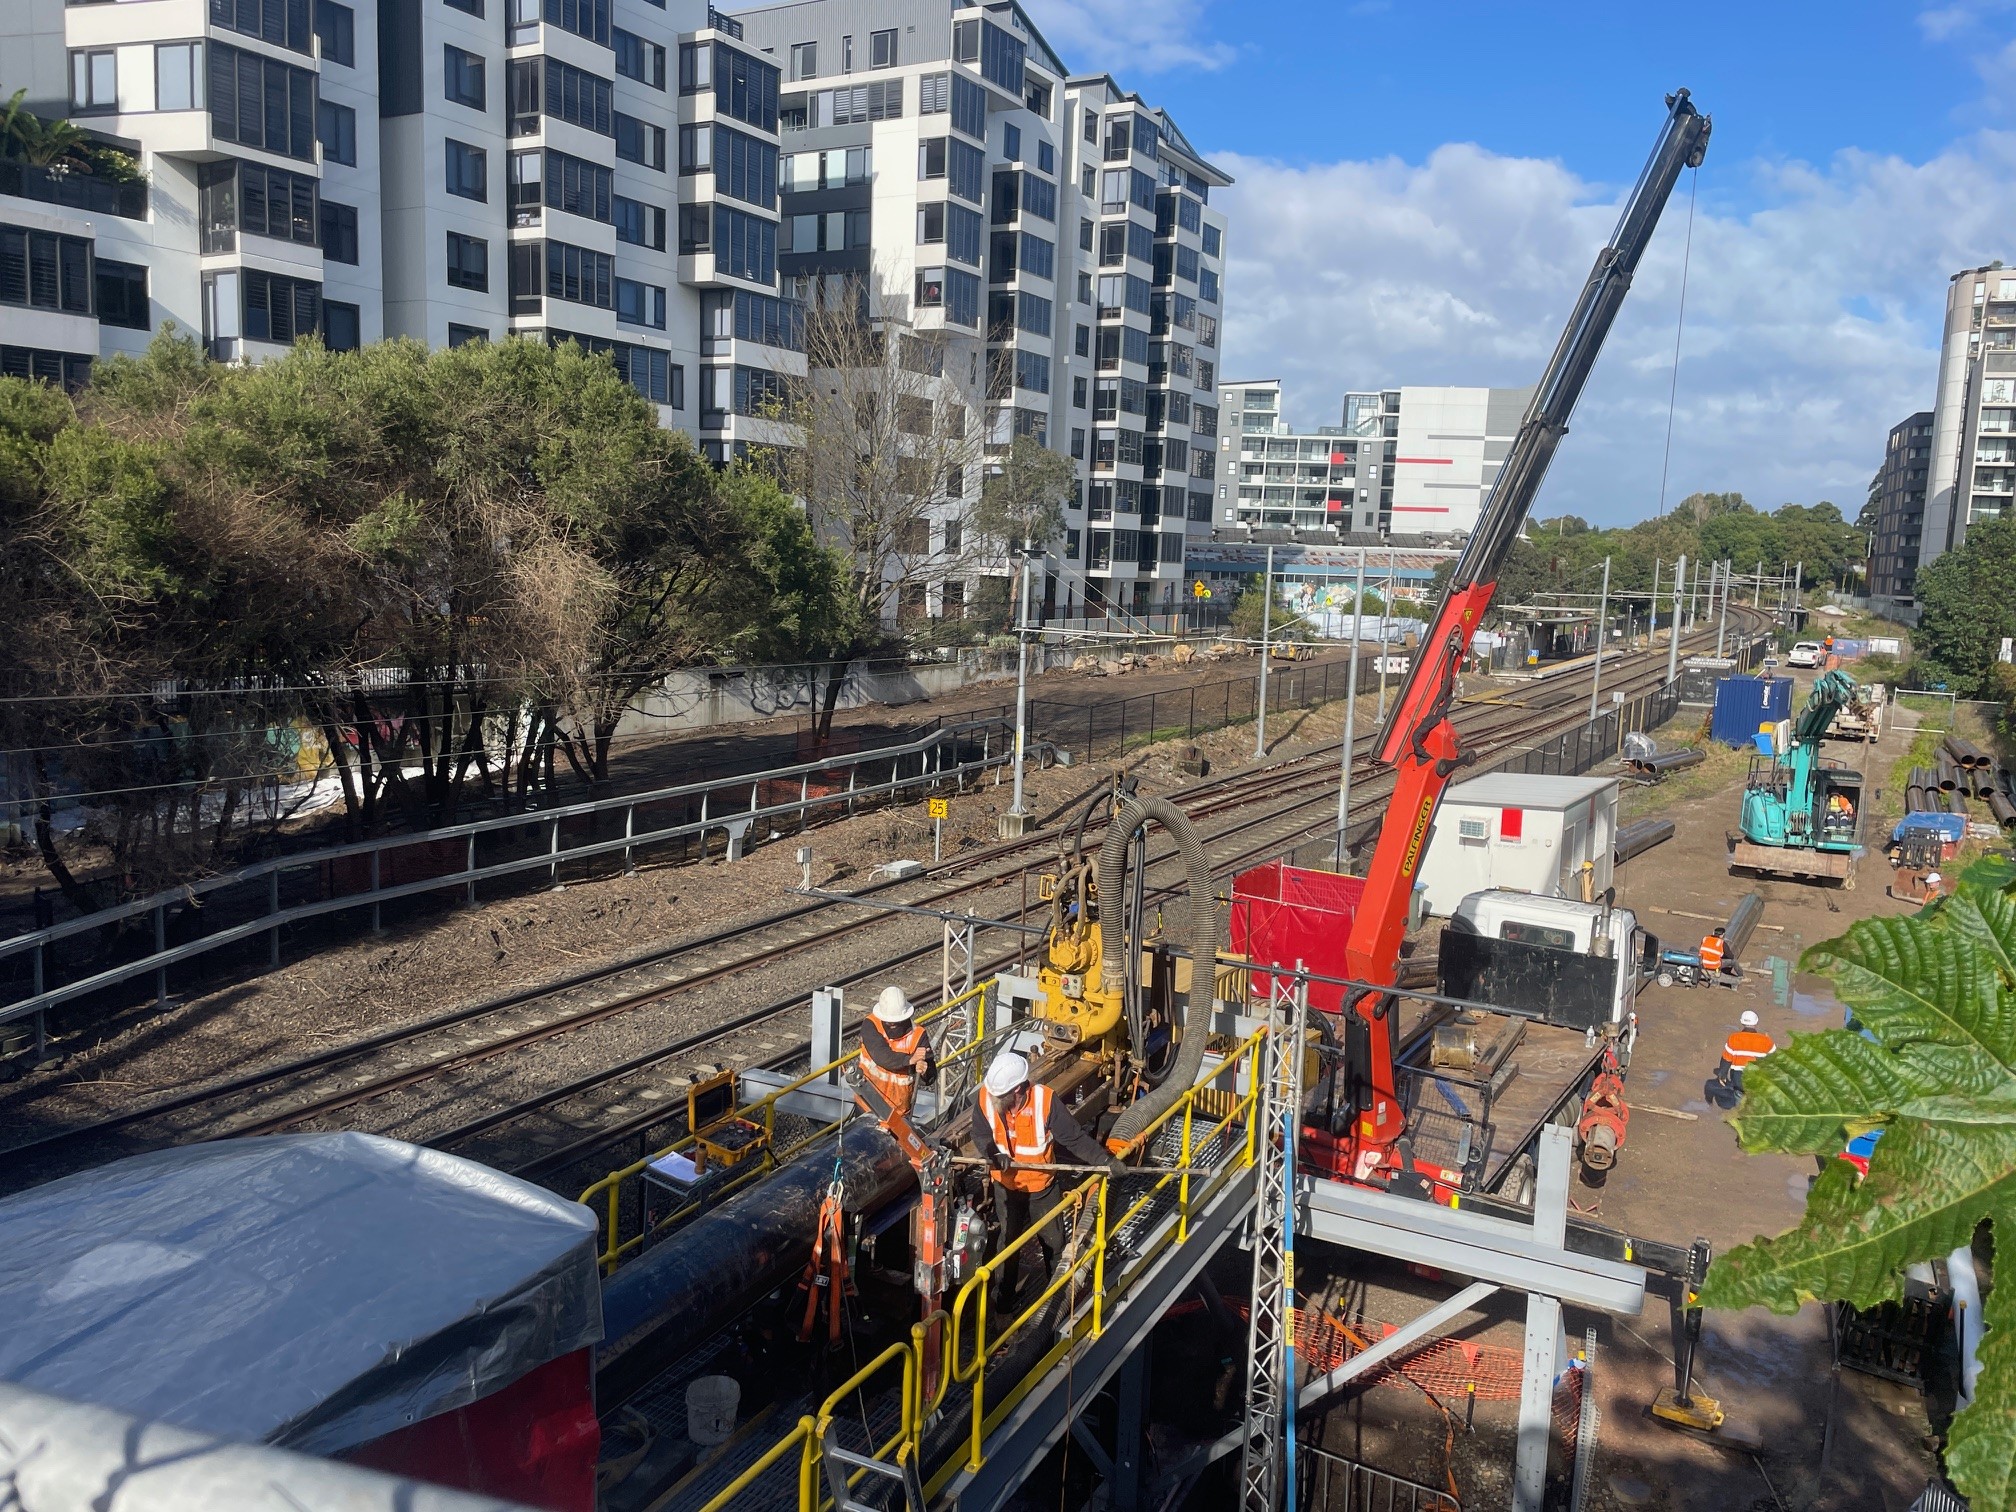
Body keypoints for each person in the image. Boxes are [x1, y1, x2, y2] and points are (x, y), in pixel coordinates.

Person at [973, 1051, 1126, 1306]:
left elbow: (1073, 1138)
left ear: (1019, 1090)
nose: (995, 1100)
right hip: (1006, 1186)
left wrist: (1107, 1161)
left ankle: (1058, 1300)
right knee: (1008, 1245)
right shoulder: (987, 1098)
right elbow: (980, 1133)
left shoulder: (1044, 1101)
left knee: (1054, 1243)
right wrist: (992, 1152)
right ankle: (1004, 1303)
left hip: (1041, 1187)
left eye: (1001, 1097)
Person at [856, 986, 935, 1119]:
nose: (892, 1025)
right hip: (867, 1105)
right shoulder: (871, 1025)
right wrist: (909, 1060)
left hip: (898, 1114)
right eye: (888, 1021)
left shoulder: (918, 1035)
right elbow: (882, 1056)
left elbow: (930, 1076)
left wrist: (923, 1072)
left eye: (895, 1022)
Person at [1719, 1010, 1776, 1097]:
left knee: (1739, 1099)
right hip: (1757, 1079)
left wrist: (1722, 1074)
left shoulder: (1734, 1038)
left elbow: (1726, 1059)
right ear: (1756, 1022)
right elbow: (1775, 1059)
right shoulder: (1766, 1040)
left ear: (1742, 1022)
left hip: (1738, 1079)